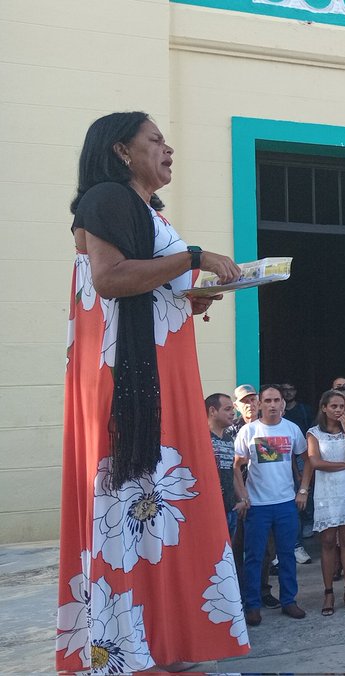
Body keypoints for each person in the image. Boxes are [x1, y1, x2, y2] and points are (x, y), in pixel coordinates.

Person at [56, 111, 248, 671]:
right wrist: (192, 259)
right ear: (121, 151)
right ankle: (126, 649)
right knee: (133, 501)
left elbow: (147, 282)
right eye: (155, 140)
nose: (168, 149)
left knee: (160, 512)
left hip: (161, 369)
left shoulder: (144, 210)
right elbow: (111, 279)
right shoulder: (107, 201)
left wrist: (191, 295)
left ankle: (161, 641)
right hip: (130, 378)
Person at [234, 385, 308, 624]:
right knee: (254, 557)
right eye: (268, 400)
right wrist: (243, 495)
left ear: (282, 404)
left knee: (287, 555)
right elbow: (236, 466)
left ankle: (289, 601)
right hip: (258, 505)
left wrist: (303, 490)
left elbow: (307, 460)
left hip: (286, 503)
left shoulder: (292, 429)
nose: (273, 404)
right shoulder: (248, 431)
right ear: (260, 404)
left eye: (277, 400)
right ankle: (252, 605)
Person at [299, 389, 345, 616]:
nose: (338, 410)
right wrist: (343, 465)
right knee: (327, 540)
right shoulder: (314, 433)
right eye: (333, 406)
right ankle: (328, 592)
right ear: (324, 408)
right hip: (326, 491)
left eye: (342, 407)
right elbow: (315, 461)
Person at [207, 393, 242, 537]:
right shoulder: (202, 437)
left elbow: (231, 470)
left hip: (230, 508)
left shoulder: (229, 438)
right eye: (227, 409)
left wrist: (241, 499)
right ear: (212, 411)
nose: (232, 413)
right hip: (209, 511)